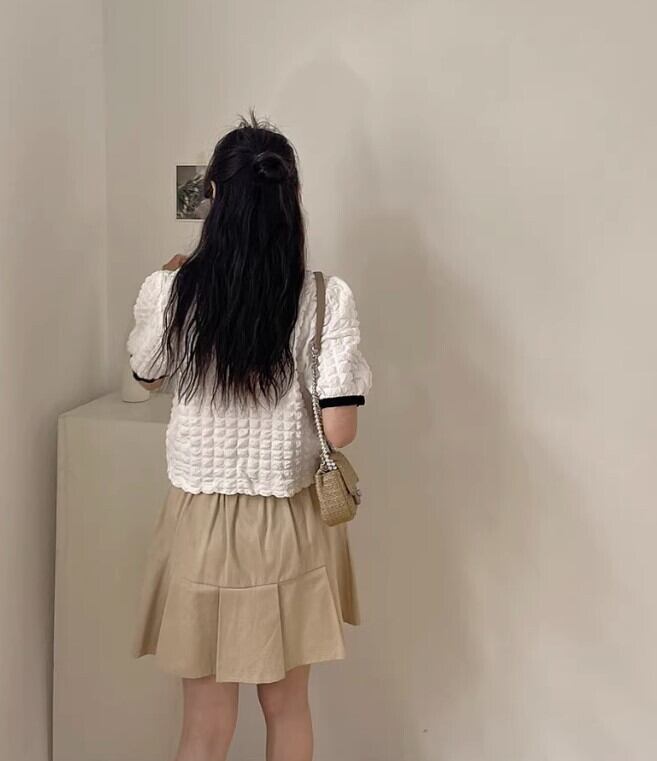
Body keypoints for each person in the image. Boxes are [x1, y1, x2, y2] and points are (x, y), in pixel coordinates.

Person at [127, 113, 372, 761]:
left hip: (200, 524)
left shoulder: (171, 290)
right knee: (287, 709)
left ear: (213, 196)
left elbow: (144, 375)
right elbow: (339, 428)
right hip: (289, 524)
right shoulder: (324, 298)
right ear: (291, 201)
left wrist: (170, 288)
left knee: (204, 724)